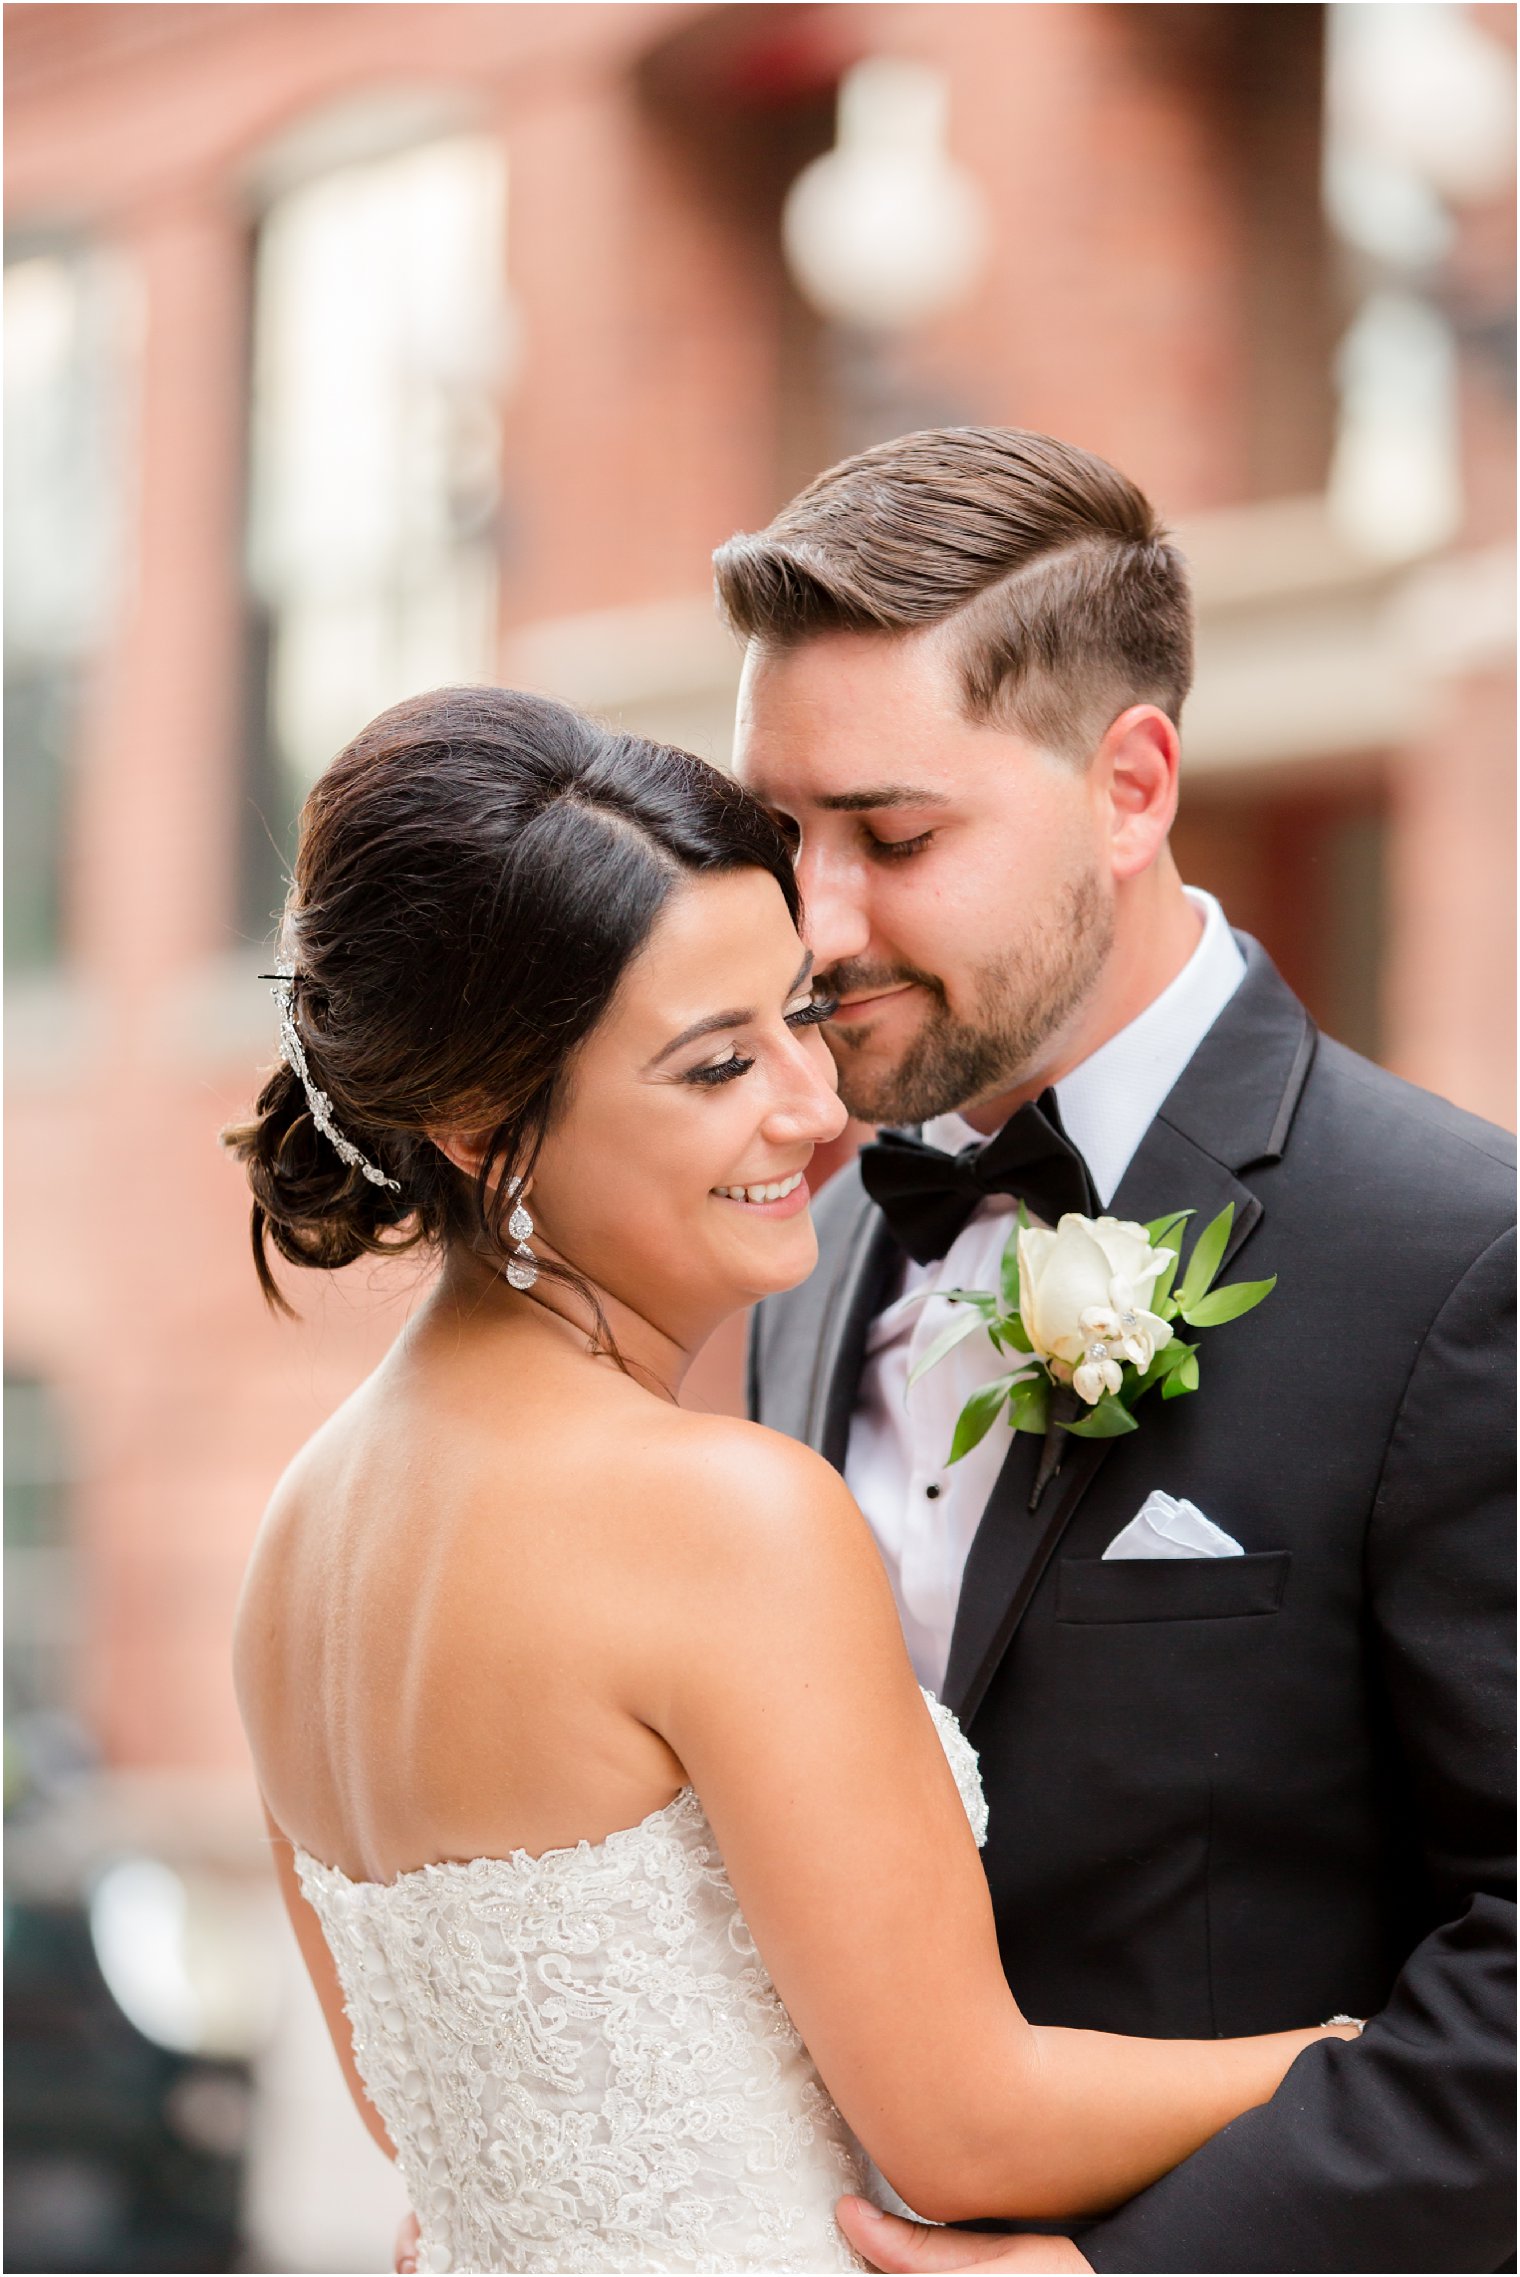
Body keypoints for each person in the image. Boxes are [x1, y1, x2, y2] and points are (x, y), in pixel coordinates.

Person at [228, 687, 1358, 2277]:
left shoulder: (294, 1542)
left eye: (799, 1017)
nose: (816, 1109)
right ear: (485, 1126)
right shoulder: (716, 1512)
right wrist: (1350, 2054)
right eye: (712, 1065)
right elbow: (966, 2126)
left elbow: (422, 2130)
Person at [721, 427, 1516, 2275]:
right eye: (778, 837)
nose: (815, 925)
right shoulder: (811, 1238)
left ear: (1132, 784)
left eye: (897, 837)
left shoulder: (1461, 1259)